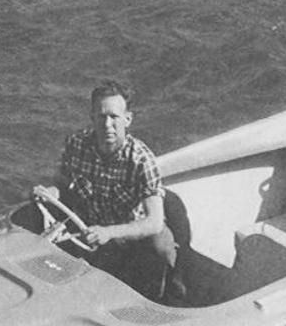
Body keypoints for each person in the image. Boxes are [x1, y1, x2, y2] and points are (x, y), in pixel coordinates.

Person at [32, 80, 180, 302]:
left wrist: (109, 233)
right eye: (101, 117)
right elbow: (62, 185)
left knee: (161, 246)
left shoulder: (141, 160)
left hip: (131, 234)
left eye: (114, 117)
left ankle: (158, 300)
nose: (107, 124)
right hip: (91, 231)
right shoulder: (76, 144)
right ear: (92, 117)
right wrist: (50, 193)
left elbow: (154, 222)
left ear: (127, 119)